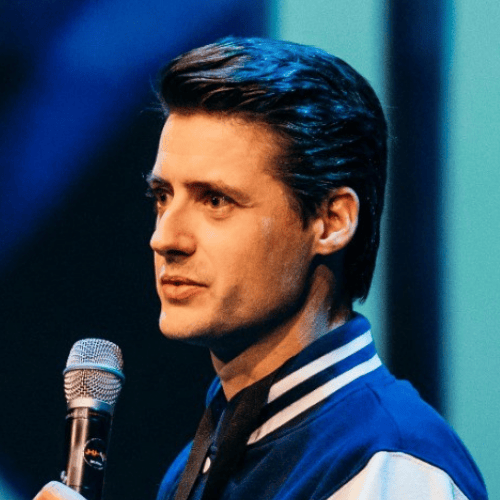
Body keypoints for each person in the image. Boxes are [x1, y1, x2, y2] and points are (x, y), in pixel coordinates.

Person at [34, 37, 487, 500]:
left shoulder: (389, 466)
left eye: (215, 200)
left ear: (331, 221)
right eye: (162, 197)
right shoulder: (201, 462)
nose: (165, 238)